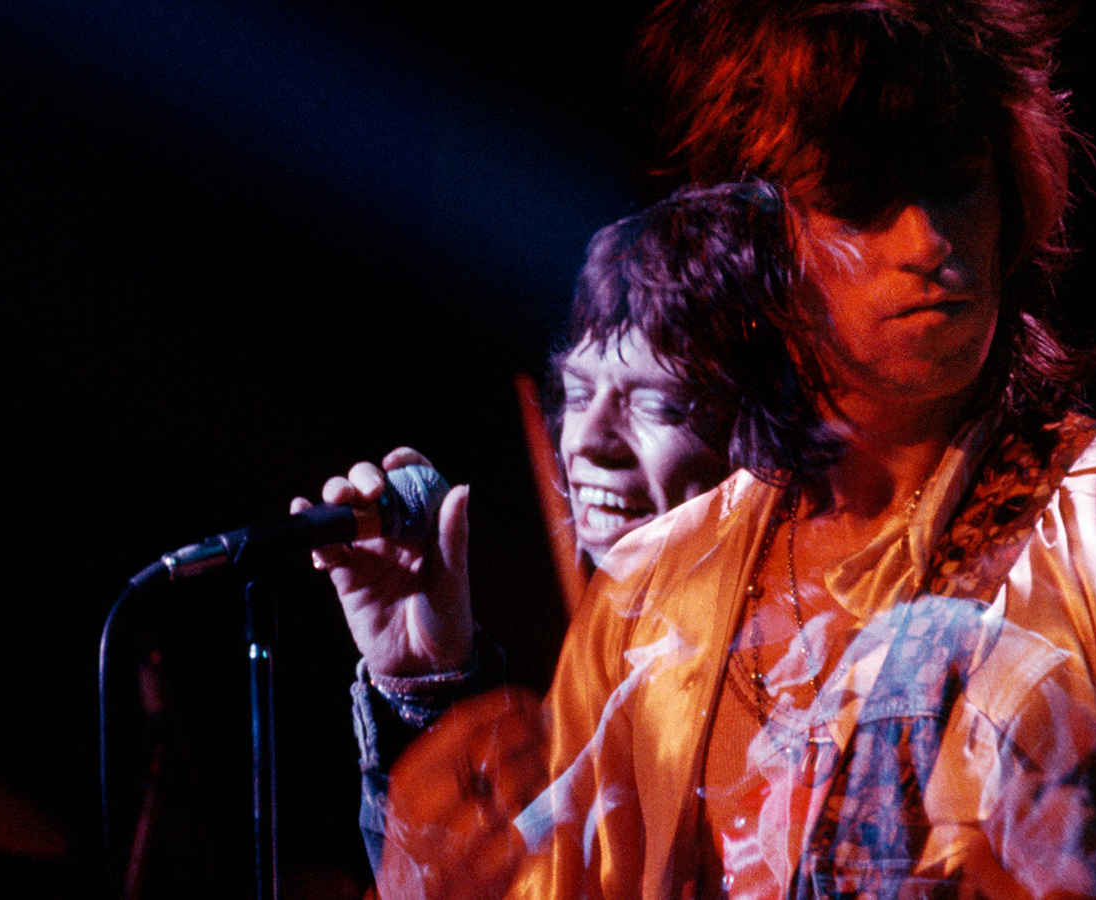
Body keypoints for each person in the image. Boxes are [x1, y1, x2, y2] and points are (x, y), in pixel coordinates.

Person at [325, 0, 1096, 896]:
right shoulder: (649, 598)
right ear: (747, 239)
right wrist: (428, 701)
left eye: (955, 179)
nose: (927, 242)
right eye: (862, 198)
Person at [291, 180, 796, 892]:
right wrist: (429, 689)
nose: (589, 441)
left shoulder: (812, 688)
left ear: (762, 431)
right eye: (581, 393)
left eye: (654, 402)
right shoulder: (607, 682)